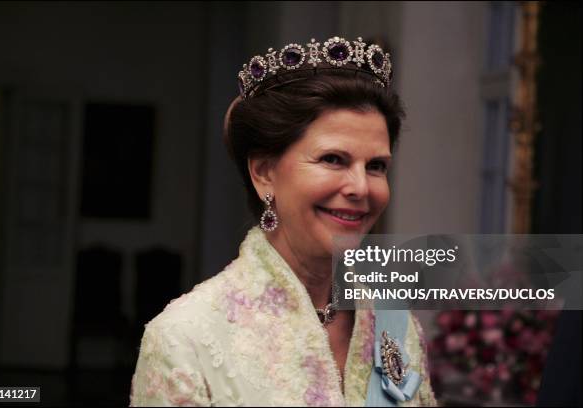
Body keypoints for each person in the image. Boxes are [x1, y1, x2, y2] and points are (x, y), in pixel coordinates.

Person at [130, 36, 437, 406]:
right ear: (264, 173)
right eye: (333, 159)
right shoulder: (185, 339)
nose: (360, 187)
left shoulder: (395, 325)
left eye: (376, 166)